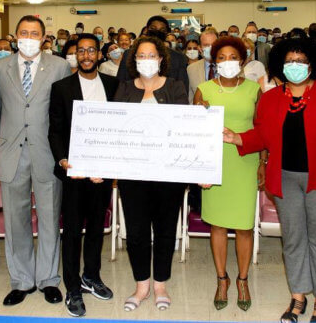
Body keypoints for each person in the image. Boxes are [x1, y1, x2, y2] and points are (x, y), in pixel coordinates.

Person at [223, 37, 316, 322]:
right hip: (285, 179)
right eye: (289, 61)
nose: (295, 66)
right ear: (280, 65)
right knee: (294, 240)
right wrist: (236, 137)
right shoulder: (271, 98)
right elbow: (262, 135)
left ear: (313, 64)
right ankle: (298, 296)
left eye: (301, 61)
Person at [0, 15, 71, 307]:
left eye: (34, 33)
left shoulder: (60, 66)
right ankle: (22, 280)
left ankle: (48, 279)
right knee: (16, 220)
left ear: (44, 37)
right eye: (23, 32)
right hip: (11, 153)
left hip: (46, 152)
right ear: (14, 36)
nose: (28, 37)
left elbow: (63, 112)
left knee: (49, 218)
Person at [114, 36, 187, 312]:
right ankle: (141, 285)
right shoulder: (123, 89)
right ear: (134, 60)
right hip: (133, 175)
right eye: (140, 55)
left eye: (151, 55)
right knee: (136, 232)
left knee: (166, 230)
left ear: (161, 59)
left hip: (168, 175)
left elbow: (183, 128)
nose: (146, 60)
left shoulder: (176, 87)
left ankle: (160, 285)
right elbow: (113, 129)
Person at [49, 33, 119, 317]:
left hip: (101, 173)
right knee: (73, 231)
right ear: (75, 55)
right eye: (81, 51)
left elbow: (119, 129)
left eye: (92, 50)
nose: (87, 55)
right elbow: (54, 129)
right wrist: (64, 161)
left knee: (95, 230)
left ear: (100, 54)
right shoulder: (62, 87)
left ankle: (91, 276)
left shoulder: (114, 85)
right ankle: (73, 287)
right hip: (74, 173)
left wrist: (113, 165)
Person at [192, 36, 262, 312]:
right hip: (214, 162)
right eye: (220, 58)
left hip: (244, 162)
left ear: (243, 60)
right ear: (213, 61)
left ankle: (243, 279)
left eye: (232, 57)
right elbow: (194, 131)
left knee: (244, 226)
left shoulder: (255, 90)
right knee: (218, 225)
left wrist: (263, 163)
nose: (226, 62)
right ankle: (222, 279)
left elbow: (261, 129)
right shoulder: (203, 89)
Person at [117, 16, 189, 92]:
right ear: (147, 30)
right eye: (153, 28)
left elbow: (182, 88)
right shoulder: (129, 54)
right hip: (134, 99)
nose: (157, 31)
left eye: (162, 30)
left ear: (167, 33)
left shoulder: (178, 57)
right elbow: (120, 83)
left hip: (167, 100)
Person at [187, 28, 218, 104]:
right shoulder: (191, 69)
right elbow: (190, 98)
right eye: (206, 45)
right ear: (200, 48)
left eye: (214, 44)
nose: (211, 48)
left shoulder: (229, 68)